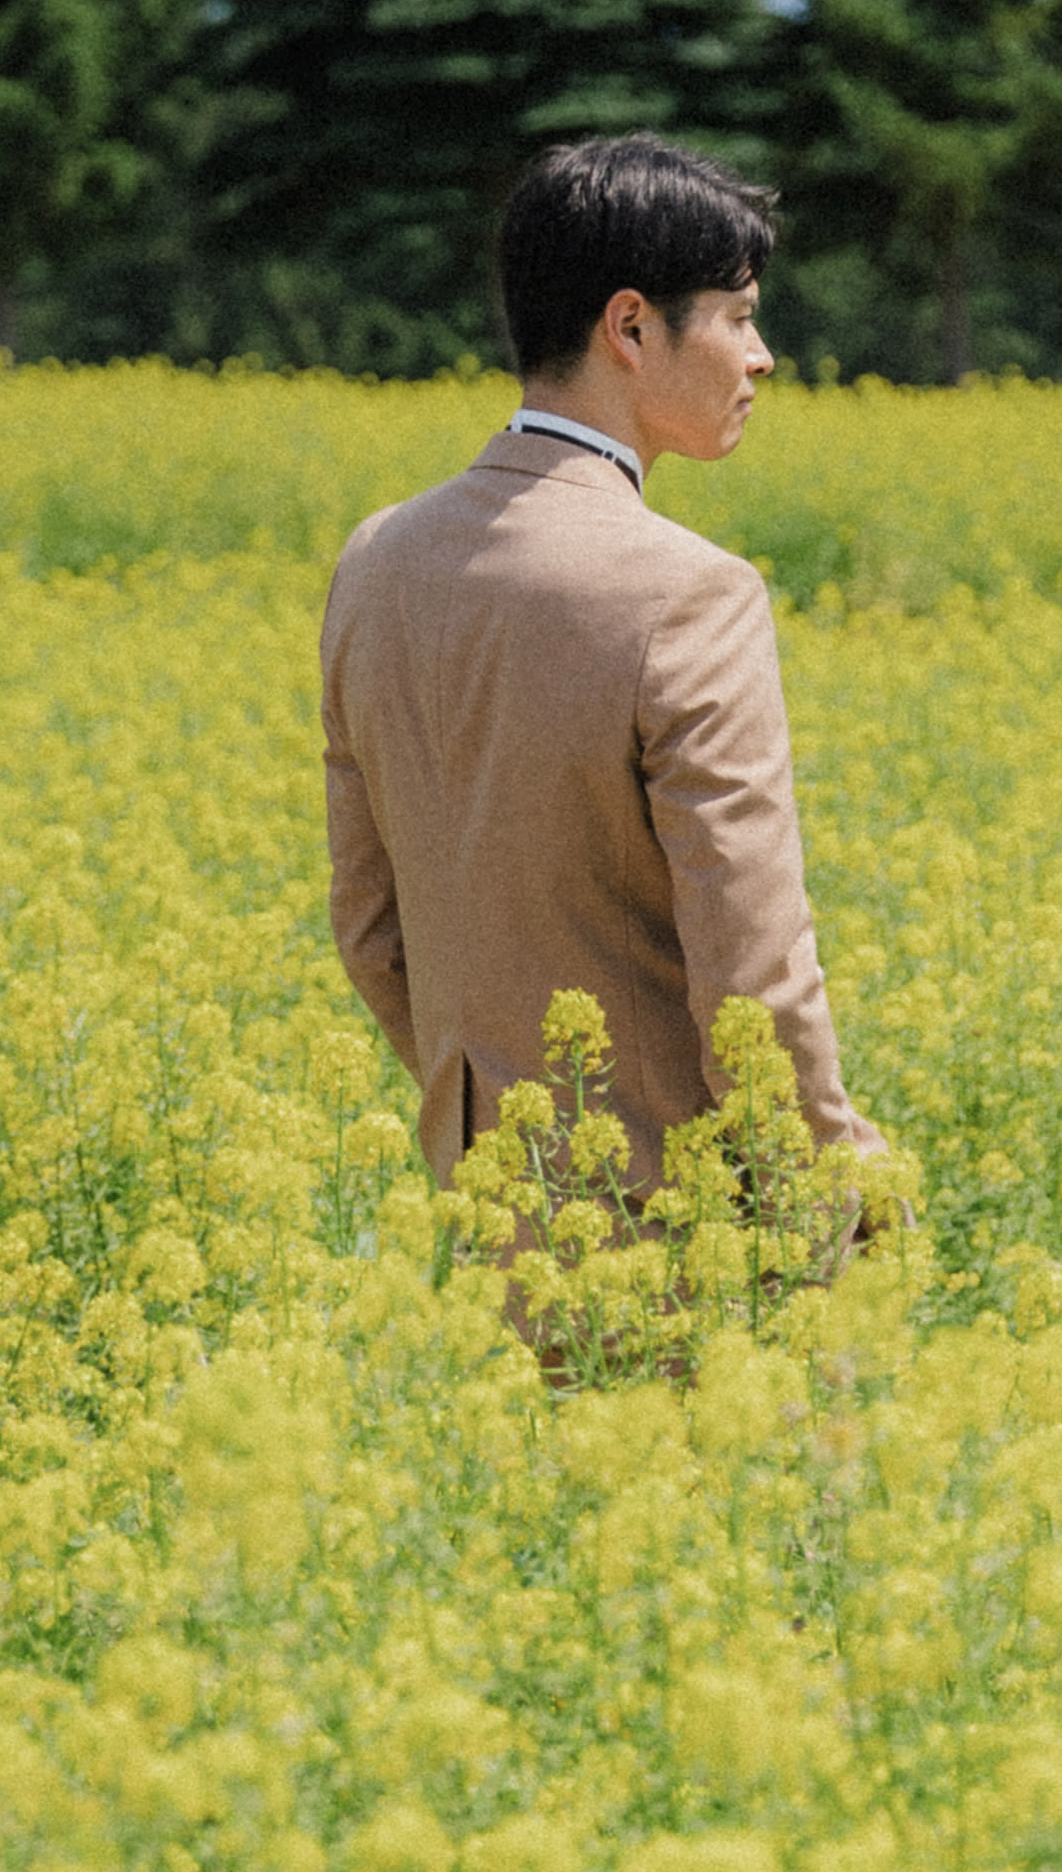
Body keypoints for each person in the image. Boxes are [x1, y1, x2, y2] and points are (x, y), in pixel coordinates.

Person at [321, 134, 878, 1195]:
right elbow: (751, 971)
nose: (760, 355)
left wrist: (492, 1119)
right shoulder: (689, 593)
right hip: (674, 1220)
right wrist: (832, 1191)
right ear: (629, 326)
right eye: (738, 316)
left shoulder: (375, 559)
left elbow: (370, 931)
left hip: (482, 1206)